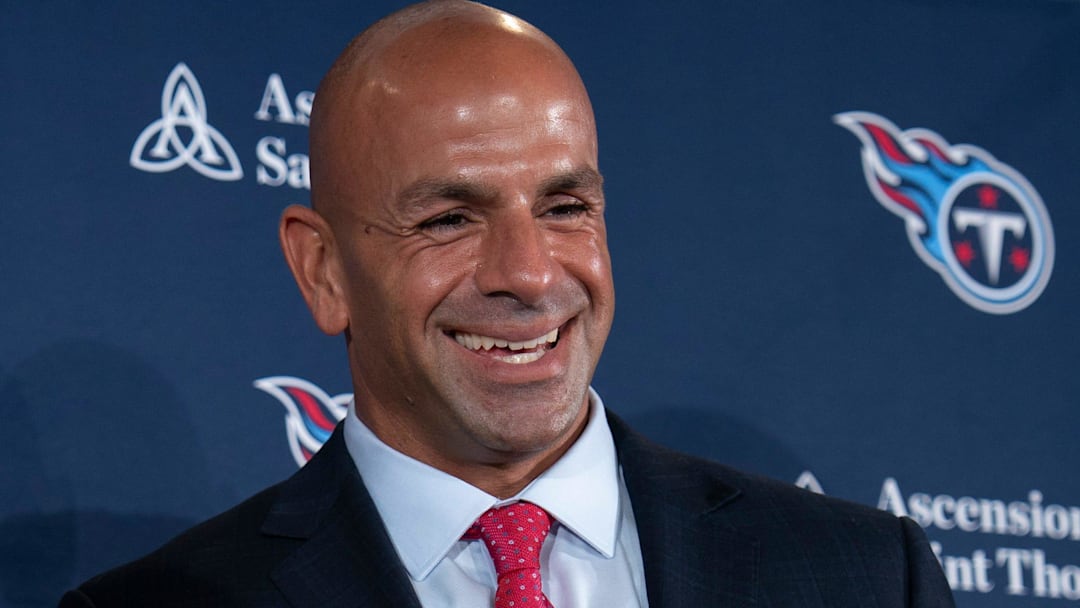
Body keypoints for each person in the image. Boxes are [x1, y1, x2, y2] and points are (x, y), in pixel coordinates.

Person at [61, 1, 955, 606]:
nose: (528, 274)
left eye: (565, 207)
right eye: (449, 218)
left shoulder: (866, 577)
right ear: (324, 269)